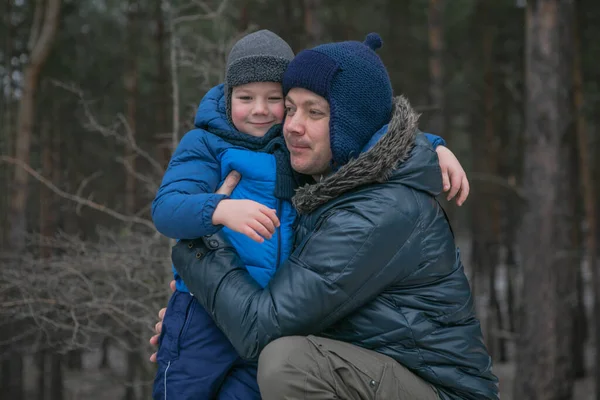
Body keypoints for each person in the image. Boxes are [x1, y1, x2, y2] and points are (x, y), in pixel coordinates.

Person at [152, 33, 498, 399]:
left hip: (439, 391)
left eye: (314, 112)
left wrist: (198, 251)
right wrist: (192, 321)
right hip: (373, 369)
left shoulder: (376, 211)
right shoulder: (326, 180)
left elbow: (261, 328)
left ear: (349, 126)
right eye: (290, 107)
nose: (290, 124)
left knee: (287, 364)